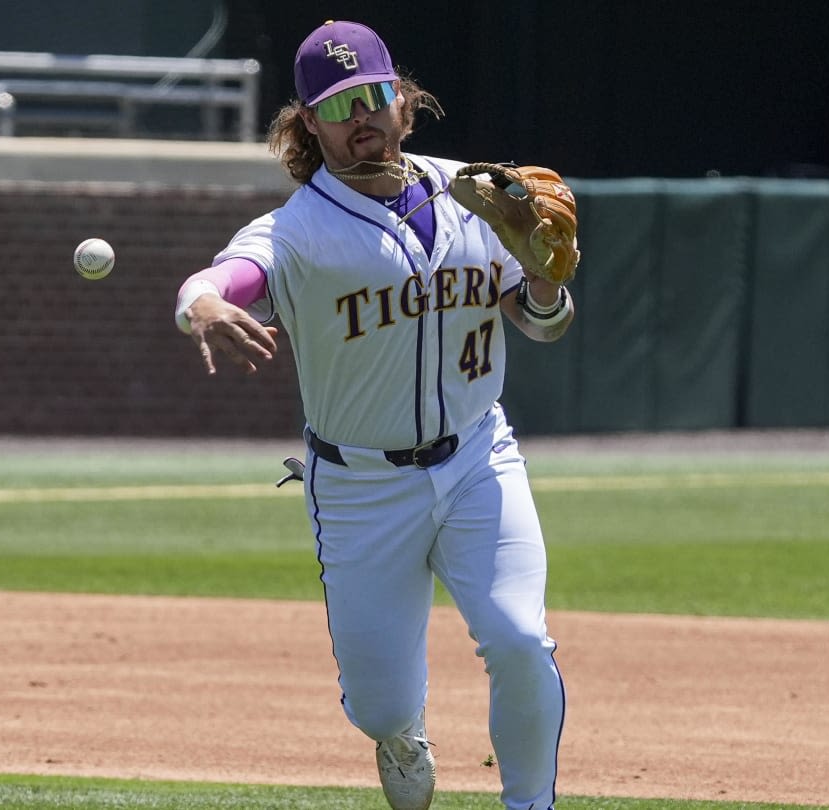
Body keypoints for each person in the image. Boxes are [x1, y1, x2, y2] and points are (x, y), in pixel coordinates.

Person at [173, 19, 571, 810]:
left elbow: (542, 321)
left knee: (522, 640)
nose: (361, 117)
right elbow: (215, 280)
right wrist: (204, 307)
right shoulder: (295, 231)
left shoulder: (478, 195)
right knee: (379, 705)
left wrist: (547, 285)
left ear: (404, 103)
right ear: (308, 127)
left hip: (477, 459)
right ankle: (399, 735)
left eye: (373, 96)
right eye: (338, 106)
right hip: (360, 489)